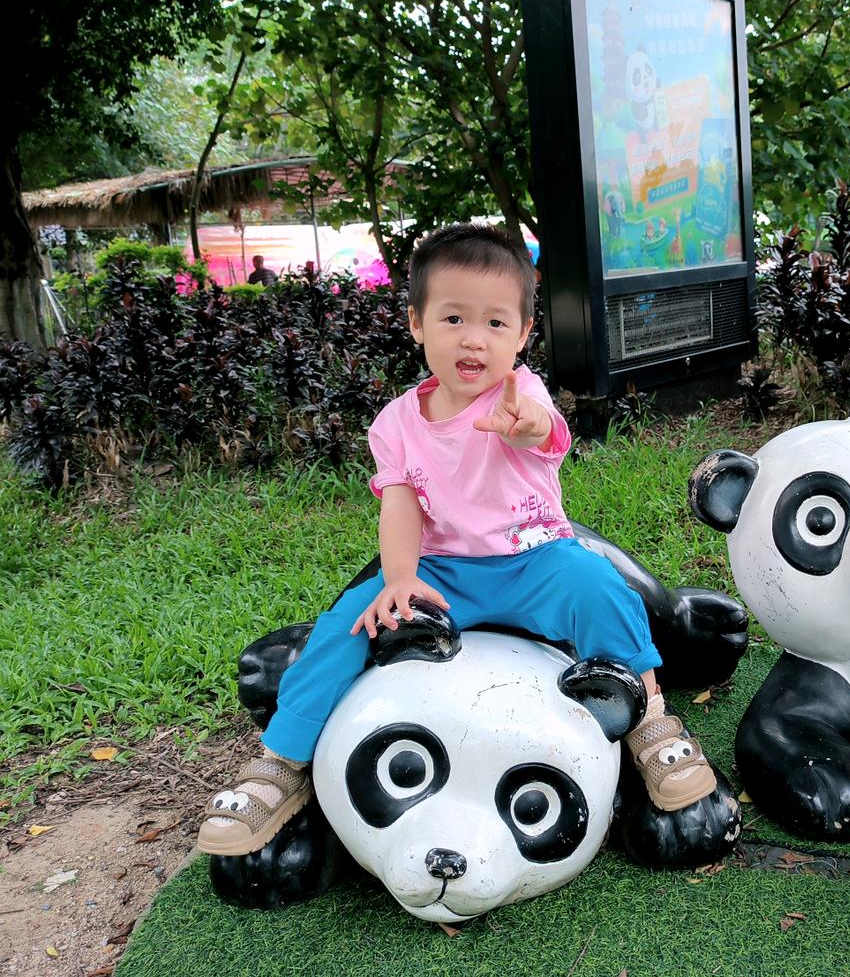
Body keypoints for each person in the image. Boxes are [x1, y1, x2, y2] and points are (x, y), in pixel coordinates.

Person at [197, 223, 716, 856]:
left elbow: (540, 431)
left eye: (497, 324)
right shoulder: (396, 423)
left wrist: (524, 423)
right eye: (453, 318)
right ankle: (279, 764)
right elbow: (401, 504)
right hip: (442, 573)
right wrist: (398, 578)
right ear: (416, 323)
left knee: (602, 589)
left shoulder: (521, 392)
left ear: (523, 336)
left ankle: (652, 722)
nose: (474, 339)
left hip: (535, 561)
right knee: (342, 627)